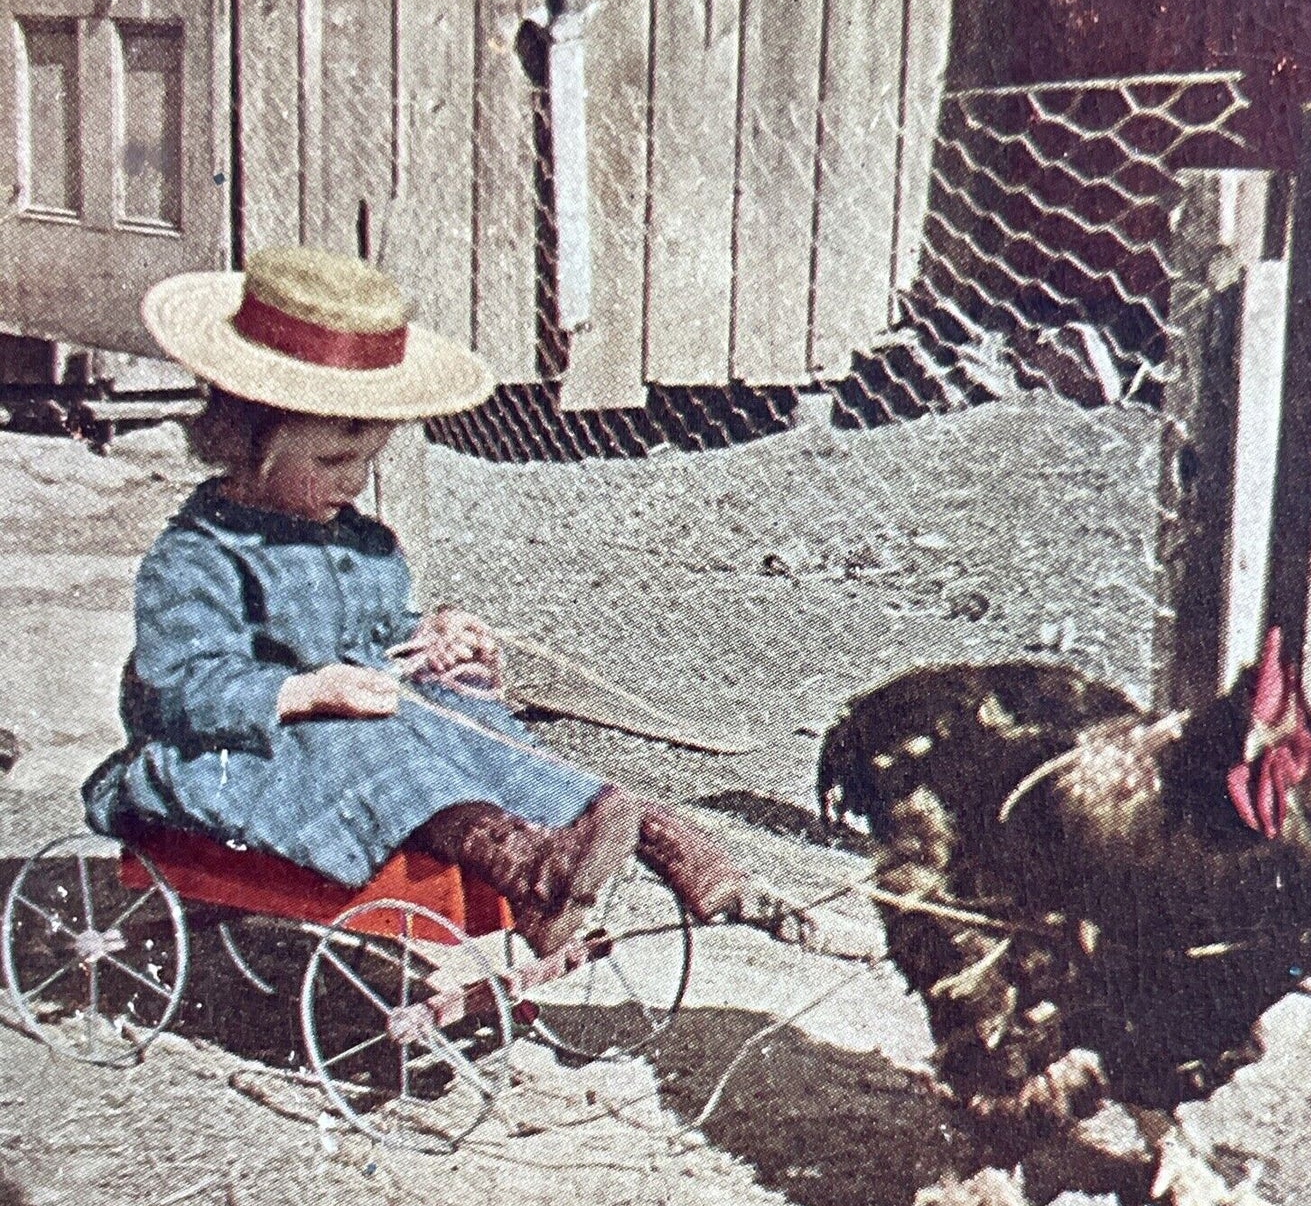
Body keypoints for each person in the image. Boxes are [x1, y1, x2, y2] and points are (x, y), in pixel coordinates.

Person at [84, 245, 803, 959]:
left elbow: (380, 633)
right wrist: (306, 689)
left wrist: (431, 644)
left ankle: (665, 842)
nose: (355, 483)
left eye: (368, 461)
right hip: (232, 755)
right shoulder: (199, 556)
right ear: (246, 441)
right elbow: (185, 687)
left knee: (467, 723)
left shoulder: (360, 541)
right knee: (374, 744)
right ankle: (525, 865)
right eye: (333, 462)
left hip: (348, 730)